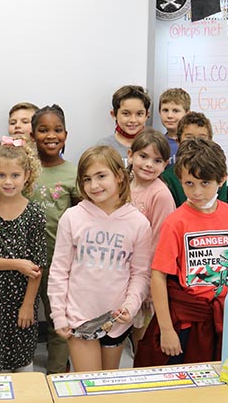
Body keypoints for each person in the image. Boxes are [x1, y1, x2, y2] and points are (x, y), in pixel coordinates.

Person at [135, 137, 228, 367]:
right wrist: (167, 329)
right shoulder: (175, 222)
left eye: (205, 183)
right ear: (180, 180)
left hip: (223, 315)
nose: (197, 192)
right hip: (186, 319)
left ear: (222, 180)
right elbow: (159, 275)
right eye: (189, 183)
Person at [48, 146, 152, 371]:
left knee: (107, 385)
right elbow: (59, 270)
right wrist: (59, 314)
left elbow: (140, 274)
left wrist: (131, 305)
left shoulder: (139, 223)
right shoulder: (73, 217)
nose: (93, 185)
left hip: (116, 319)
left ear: (120, 176)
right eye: (87, 179)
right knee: (88, 385)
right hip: (79, 317)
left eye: (101, 176)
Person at [0, 143, 46, 373]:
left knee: (24, 359)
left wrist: (28, 304)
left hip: (23, 297)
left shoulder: (35, 213)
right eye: (1, 175)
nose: (8, 181)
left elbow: (37, 266)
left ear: (27, 176)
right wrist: (16, 264)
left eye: (15, 175)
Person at [28, 105, 80, 374]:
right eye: (43, 129)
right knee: (22, 315)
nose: (51, 135)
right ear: (32, 134)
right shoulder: (24, 170)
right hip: (23, 261)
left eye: (57, 130)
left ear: (66, 135)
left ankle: (58, 370)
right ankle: (20, 368)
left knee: (57, 317)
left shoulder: (73, 173)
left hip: (57, 261)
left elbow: (83, 216)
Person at [127, 129, 176, 346]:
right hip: (122, 272)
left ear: (165, 164)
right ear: (130, 155)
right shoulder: (123, 184)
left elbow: (159, 243)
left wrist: (147, 285)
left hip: (145, 276)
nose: (149, 164)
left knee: (142, 337)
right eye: (143, 157)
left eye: (157, 160)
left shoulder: (160, 194)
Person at [160, 112, 228, 207]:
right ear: (178, 141)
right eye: (189, 138)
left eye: (202, 138)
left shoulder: (216, 172)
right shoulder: (167, 177)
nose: (196, 143)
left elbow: (222, 208)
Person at [97, 85, 151, 166]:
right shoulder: (103, 147)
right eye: (126, 114)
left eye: (139, 114)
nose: (133, 120)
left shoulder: (153, 144)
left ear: (146, 115)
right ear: (114, 114)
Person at [157, 88, 190, 167]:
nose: (169, 116)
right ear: (159, 112)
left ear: (187, 113)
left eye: (175, 111)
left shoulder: (194, 142)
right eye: (165, 110)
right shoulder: (158, 143)